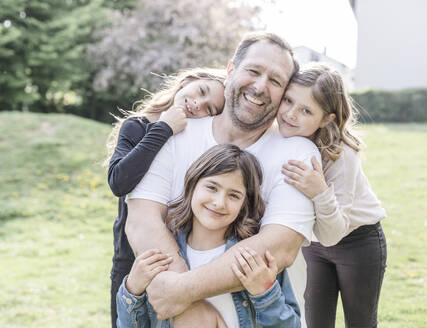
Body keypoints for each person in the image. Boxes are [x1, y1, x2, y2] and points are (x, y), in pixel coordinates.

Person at [125, 32, 326, 327]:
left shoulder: (296, 153)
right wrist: (189, 312)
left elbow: (278, 246)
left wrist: (184, 291)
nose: (260, 86)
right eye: (253, 71)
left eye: (275, 81)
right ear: (230, 69)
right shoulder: (177, 134)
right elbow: (142, 220)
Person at [117, 144, 301, 328]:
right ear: (193, 184)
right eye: (212, 187)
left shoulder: (254, 260)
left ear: (245, 204)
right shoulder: (163, 253)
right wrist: (132, 290)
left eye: (234, 196)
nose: (219, 203)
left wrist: (264, 294)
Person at [105, 68, 226, 327]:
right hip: (130, 255)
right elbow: (119, 181)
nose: (198, 104)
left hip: (179, 257)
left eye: (210, 108)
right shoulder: (138, 126)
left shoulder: (199, 142)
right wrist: (164, 128)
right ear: (187, 81)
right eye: (201, 91)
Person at [278, 63, 387, 328]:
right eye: (288, 101)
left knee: (360, 321)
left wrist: (319, 191)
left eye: (306, 110)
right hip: (316, 246)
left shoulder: (341, 154)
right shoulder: (282, 137)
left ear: (328, 118)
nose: (291, 114)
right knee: (315, 320)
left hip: (358, 242)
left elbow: (334, 232)